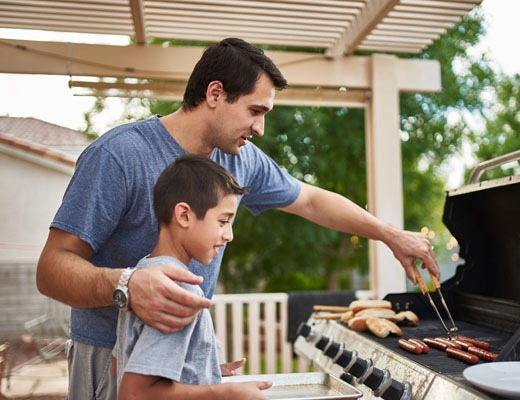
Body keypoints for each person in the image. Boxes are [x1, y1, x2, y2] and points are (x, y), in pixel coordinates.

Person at [37, 37, 439, 400]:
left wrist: (390, 235)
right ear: (215, 93)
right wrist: (128, 284)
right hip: (110, 360)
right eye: (255, 110)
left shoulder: (238, 159)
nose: (260, 128)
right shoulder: (119, 156)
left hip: (178, 366)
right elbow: (51, 269)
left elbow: (312, 201)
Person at [114, 154, 270, 399]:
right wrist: (226, 393)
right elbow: (136, 393)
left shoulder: (144, 273)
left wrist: (205, 370)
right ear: (184, 215)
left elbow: (120, 364)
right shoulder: (178, 290)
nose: (229, 235)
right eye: (223, 221)